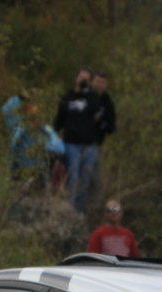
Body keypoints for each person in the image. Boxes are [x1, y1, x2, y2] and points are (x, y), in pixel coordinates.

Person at [53, 67, 102, 213]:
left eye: (86, 79)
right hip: (71, 143)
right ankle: (70, 209)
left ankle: (79, 211)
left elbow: (97, 110)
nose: (83, 81)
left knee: (84, 178)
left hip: (89, 144)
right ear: (76, 78)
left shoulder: (92, 96)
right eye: (81, 78)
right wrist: (52, 135)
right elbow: (60, 118)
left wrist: (87, 92)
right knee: (73, 176)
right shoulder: (68, 96)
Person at [87, 71, 116, 208]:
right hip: (77, 142)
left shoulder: (107, 102)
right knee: (76, 175)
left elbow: (111, 126)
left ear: (106, 84)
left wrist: (99, 122)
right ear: (92, 82)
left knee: (94, 178)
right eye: (97, 81)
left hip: (95, 144)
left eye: (103, 82)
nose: (100, 85)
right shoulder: (84, 96)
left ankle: (94, 206)